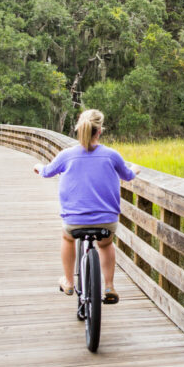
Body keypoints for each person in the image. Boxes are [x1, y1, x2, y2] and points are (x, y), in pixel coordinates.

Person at [33, 109, 140, 304]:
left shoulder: (66, 155)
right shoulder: (112, 155)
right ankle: (109, 286)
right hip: (107, 220)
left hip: (74, 220)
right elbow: (128, 176)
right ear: (99, 131)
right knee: (105, 244)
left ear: (78, 129)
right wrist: (134, 169)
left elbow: (47, 172)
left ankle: (68, 281)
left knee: (68, 238)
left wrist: (39, 167)